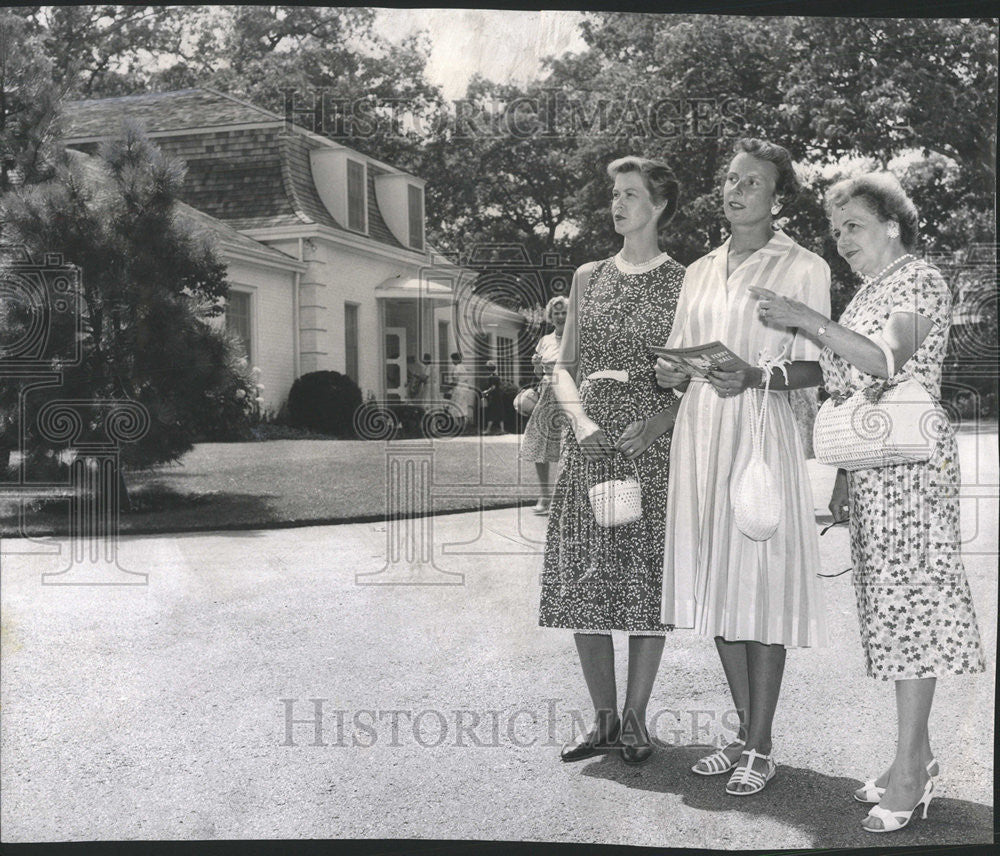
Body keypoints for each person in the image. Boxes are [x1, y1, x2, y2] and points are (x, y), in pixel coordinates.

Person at [752, 171, 985, 832]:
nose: (842, 241)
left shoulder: (922, 280)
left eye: (852, 226)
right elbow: (849, 389)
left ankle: (910, 775)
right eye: (836, 231)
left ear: (892, 224)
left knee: (913, 615)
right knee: (888, 617)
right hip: (875, 467)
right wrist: (845, 478)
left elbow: (886, 363)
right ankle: (917, 756)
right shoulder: (866, 294)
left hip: (911, 471)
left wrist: (803, 318)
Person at [655, 138, 829, 795]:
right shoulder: (699, 270)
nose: (735, 191)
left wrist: (757, 372)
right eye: (730, 179)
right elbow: (672, 361)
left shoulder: (803, 265)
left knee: (759, 585)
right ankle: (745, 732)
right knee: (721, 591)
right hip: (702, 432)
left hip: (760, 430)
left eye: (751, 183)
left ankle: (762, 744)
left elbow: (821, 364)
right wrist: (670, 367)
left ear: (777, 198)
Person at [540, 156, 684, 766]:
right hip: (590, 437)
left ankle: (634, 721)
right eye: (615, 195)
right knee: (586, 580)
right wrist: (580, 421)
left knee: (645, 583)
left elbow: (697, 374)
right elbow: (563, 365)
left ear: (659, 205)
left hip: (647, 443)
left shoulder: (687, 280)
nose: (618, 205)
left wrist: (658, 421)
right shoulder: (587, 276)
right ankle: (602, 720)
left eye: (631, 194)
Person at [519, 296, 569, 514]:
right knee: (539, 445)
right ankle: (544, 496)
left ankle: (564, 497)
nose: (560, 316)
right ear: (550, 316)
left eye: (564, 312)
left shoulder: (576, 338)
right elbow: (538, 374)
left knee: (568, 447)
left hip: (569, 395)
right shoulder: (545, 340)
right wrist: (537, 365)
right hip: (547, 394)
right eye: (556, 313)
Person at [448, 352, 477, 435]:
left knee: (457, 407)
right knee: (463, 407)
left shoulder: (457, 368)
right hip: (465, 389)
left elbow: (455, 381)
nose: (452, 361)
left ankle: (459, 427)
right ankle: (462, 426)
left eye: (453, 359)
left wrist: (448, 386)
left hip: (459, 389)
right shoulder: (463, 367)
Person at [481, 360, 505, 435]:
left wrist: (486, 392)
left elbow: (493, 387)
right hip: (498, 396)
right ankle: (502, 429)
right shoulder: (496, 376)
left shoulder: (492, 377)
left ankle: (488, 430)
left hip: (494, 397)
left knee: (492, 412)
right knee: (499, 412)